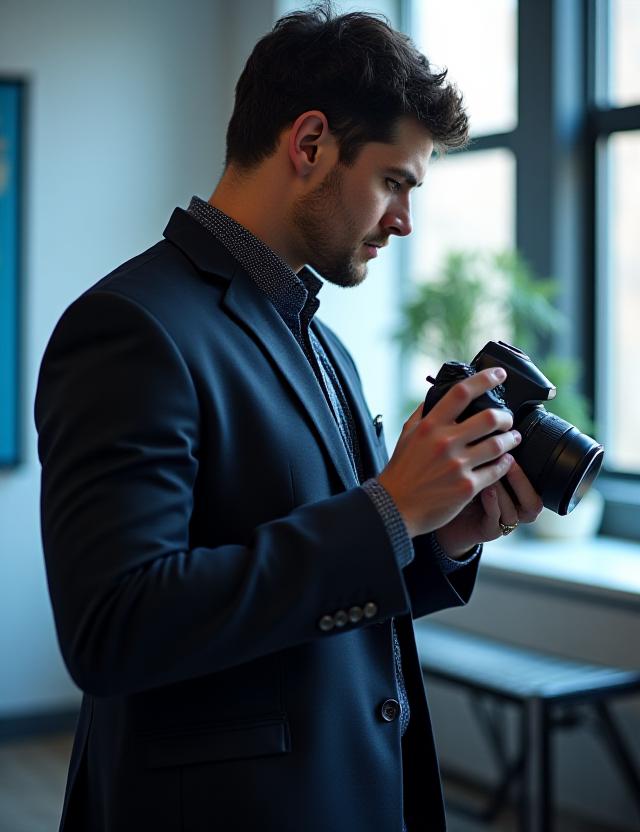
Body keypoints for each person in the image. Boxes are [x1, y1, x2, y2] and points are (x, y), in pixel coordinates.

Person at [35, 4, 542, 831]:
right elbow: (113, 628)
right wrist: (391, 510)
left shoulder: (327, 344)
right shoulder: (131, 326)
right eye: (394, 182)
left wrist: (441, 538)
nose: (404, 220)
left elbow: (340, 574)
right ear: (309, 145)